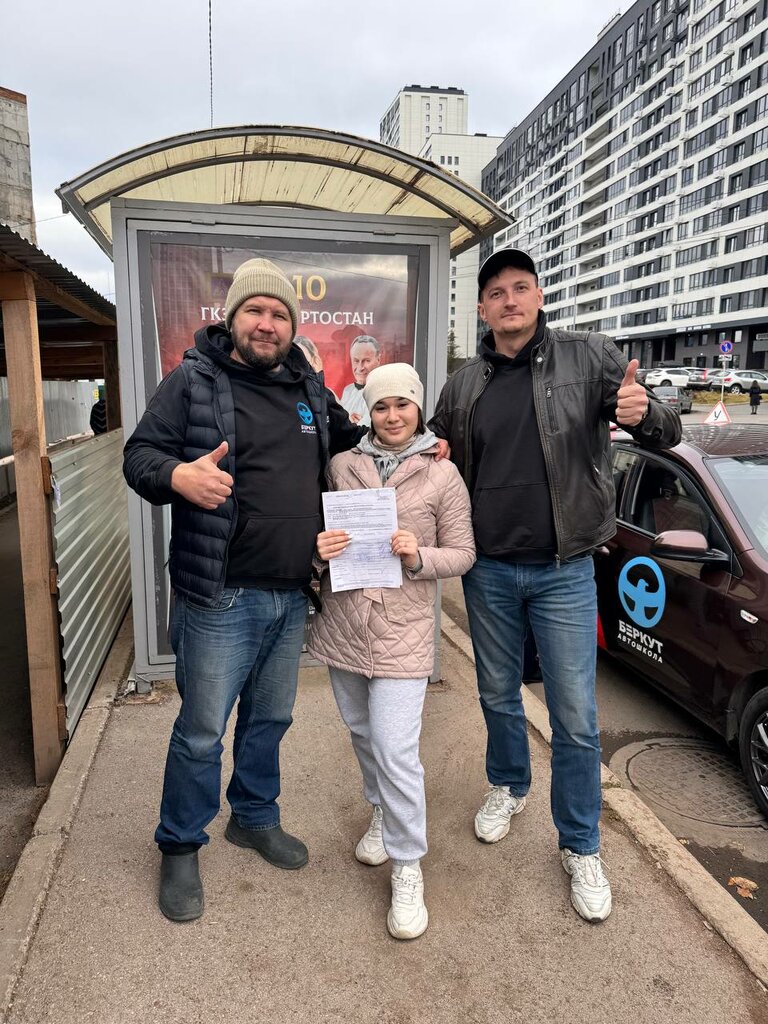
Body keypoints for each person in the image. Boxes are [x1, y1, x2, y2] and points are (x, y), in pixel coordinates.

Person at [429, 248, 682, 923]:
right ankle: (509, 785)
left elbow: (667, 430)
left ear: (538, 296)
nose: (510, 300)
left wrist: (642, 413)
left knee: (574, 715)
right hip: (487, 568)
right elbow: (434, 457)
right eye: (497, 293)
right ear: (482, 308)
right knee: (496, 691)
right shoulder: (463, 384)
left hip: (564, 568)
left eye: (521, 288)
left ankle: (580, 844)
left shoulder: (590, 357)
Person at [123, 258, 364, 923]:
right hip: (219, 597)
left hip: (291, 592)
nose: (267, 323)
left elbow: (356, 443)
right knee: (203, 730)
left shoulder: (308, 387)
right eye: (255, 310)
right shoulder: (192, 380)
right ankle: (180, 842)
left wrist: (422, 443)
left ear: (291, 326)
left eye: (280, 314)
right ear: (232, 318)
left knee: (270, 719)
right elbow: (139, 456)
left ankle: (253, 815)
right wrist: (179, 477)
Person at [308, 364, 475, 940]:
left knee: (396, 747)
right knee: (362, 732)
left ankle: (408, 866)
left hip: (403, 630)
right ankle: (379, 811)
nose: (393, 415)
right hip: (344, 626)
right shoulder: (341, 466)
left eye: (403, 403)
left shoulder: (442, 474)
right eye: (381, 406)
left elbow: (464, 554)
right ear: (368, 411)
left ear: (418, 409)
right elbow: (318, 539)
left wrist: (418, 555)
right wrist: (319, 550)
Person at [340, 335, 381, 426]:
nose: (360, 368)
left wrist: (346, 422)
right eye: (356, 361)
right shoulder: (347, 390)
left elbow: (367, 428)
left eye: (366, 361)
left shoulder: (381, 391)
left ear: (378, 360)